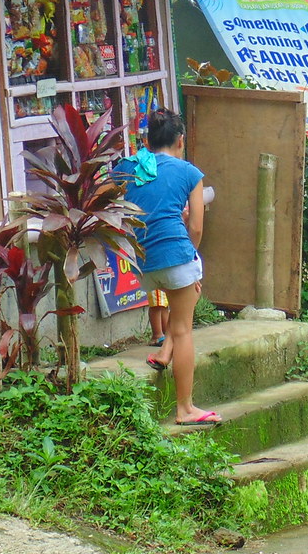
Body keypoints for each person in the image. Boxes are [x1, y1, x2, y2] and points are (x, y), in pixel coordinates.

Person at [115, 108, 221, 426]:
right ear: (180, 140)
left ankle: (165, 355)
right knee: (183, 330)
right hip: (176, 254)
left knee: (182, 292)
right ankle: (185, 408)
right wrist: (189, 260)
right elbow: (197, 229)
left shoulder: (125, 168)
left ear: (146, 140)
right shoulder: (190, 173)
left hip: (143, 262)